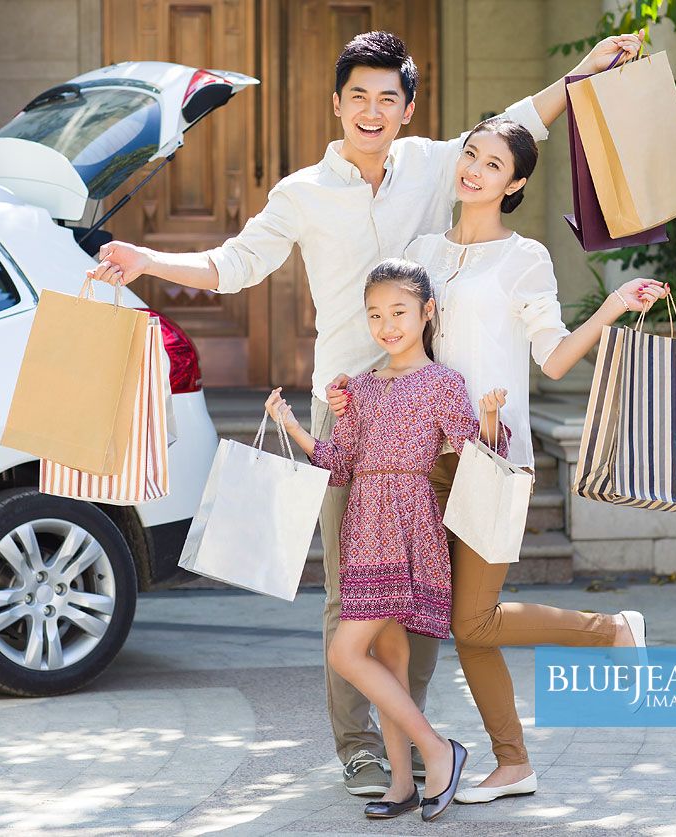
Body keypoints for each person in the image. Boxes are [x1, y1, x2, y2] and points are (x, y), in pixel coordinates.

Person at [89, 29, 647, 795]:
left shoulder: (432, 166)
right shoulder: (300, 193)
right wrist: (148, 260)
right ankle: (357, 745)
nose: (372, 110)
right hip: (346, 408)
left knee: (423, 592)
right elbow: (233, 264)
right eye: (359, 96)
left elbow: (516, 127)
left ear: (408, 107)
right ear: (337, 103)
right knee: (351, 592)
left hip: (431, 411)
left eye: (389, 97)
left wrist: (582, 74)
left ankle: (410, 737)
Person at [327, 116, 665, 804]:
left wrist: (609, 309)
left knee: (470, 619)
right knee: (435, 621)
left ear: (513, 183)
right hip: (422, 463)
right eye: (471, 155)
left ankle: (610, 630)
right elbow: (398, 332)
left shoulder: (524, 257)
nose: (474, 170)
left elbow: (554, 353)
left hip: (489, 456)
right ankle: (511, 762)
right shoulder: (422, 247)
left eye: (492, 164)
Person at [266, 259, 507, 821]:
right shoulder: (362, 388)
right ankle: (402, 782)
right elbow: (337, 465)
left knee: (347, 651)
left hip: (411, 522)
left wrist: (491, 418)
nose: (386, 325)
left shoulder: (444, 383)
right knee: (389, 659)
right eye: (375, 315)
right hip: (365, 525)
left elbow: (476, 453)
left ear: (426, 313)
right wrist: (292, 423)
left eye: (398, 312)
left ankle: (438, 751)